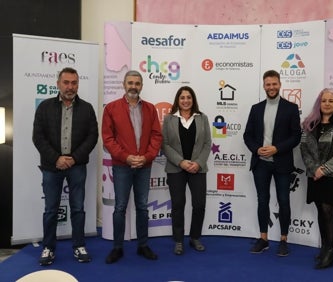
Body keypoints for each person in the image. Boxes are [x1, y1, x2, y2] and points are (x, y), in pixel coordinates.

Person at [32, 67, 98, 266]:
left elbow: (92, 137)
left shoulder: (87, 108)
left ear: (78, 84)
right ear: (58, 84)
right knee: (51, 209)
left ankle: (79, 245)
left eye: (74, 83)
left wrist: (74, 158)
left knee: (77, 208)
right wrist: (57, 159)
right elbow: (38, 137)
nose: (70, 87)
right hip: (52, 167)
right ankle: (48, 248)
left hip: (77, 166)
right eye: (66, 82)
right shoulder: (44, 107)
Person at [102, 70, 162, 264]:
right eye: (130, 83)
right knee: (120, 207)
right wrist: (126, 157)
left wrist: (147, 157)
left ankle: (142, 245)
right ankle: (117, 247)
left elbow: (156, 136)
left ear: (141, 86)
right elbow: (108, 138)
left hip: (144, 165)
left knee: (142, 207)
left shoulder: (150, 109)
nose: (133, 86)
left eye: (137, 83)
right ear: (124, 85)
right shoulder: (111, 108)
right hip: (122, 165)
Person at [243, 70, 301, 257]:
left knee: (284, 201)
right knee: (262, 201)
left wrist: (277, 148)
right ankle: (263, 239)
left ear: (280, 84)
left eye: (274, 84)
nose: (271, 87)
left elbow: (296, 136)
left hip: (282, 163)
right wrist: (256, 149)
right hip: (260, 163)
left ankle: (284, 240)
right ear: (264, 85)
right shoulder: (256, 108)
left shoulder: (291, 108)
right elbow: (247, 135)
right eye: (268, 84)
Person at [300, 88, 333, 269]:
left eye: (331, 101)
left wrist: (325, 169)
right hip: (314, 176)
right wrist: (315, 169)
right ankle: (324, 248)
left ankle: (330, 252)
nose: (327, 104)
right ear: (319, 103)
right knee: (320, 212)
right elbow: (304, 149)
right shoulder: (309, 123)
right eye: (324, 101)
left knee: (328, 212)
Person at [162, 86, 211, 255]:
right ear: (178, 100)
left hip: (198, 168)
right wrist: (181, 162)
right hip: (176, 168)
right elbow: (165, 144)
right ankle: (178, 240)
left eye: (188, 97)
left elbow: (207, 144)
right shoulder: (169, 119)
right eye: (182, 97)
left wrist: (197, 163)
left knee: (199, 204)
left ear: (193, 99)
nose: (185, 100)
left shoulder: (202, 118)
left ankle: (195, 237)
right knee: (177, 205)